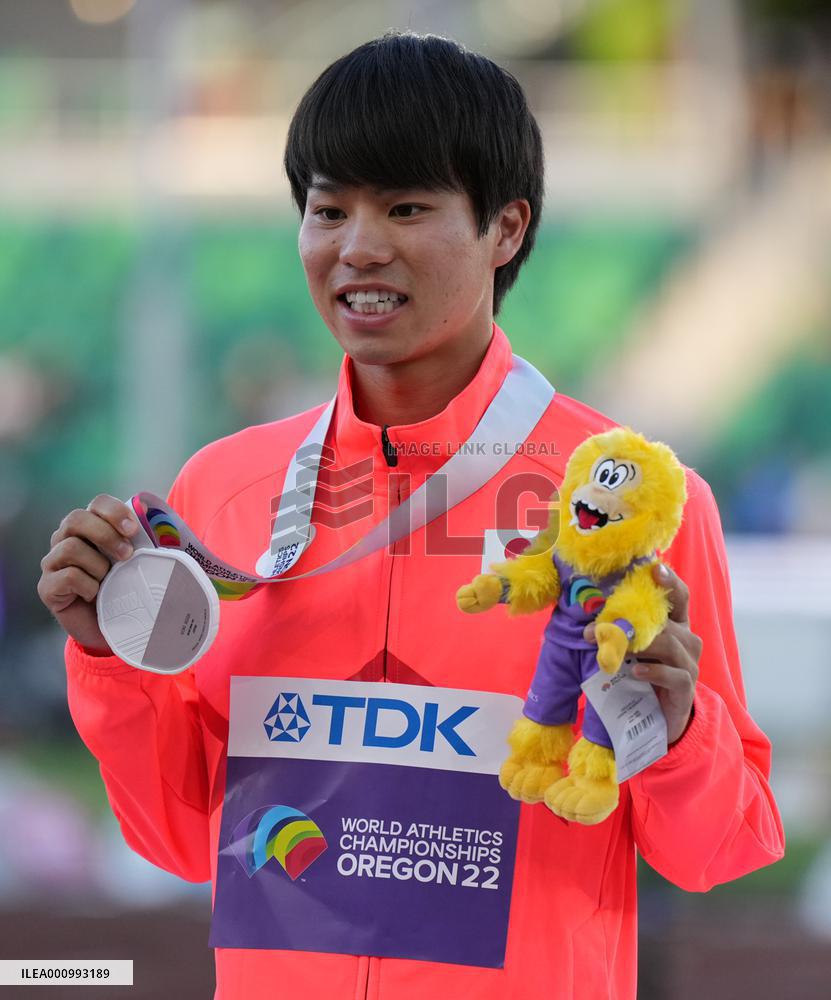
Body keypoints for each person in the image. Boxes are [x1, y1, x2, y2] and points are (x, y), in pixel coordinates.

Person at [37, 31, 784, 1000]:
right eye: (329, 208)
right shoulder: (226, 491)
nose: (358, 245)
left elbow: (718, 849)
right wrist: (112, 659)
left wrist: (680, 731)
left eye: (405, 207)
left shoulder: (624, 502)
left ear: (506, 228)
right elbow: (180, 838)